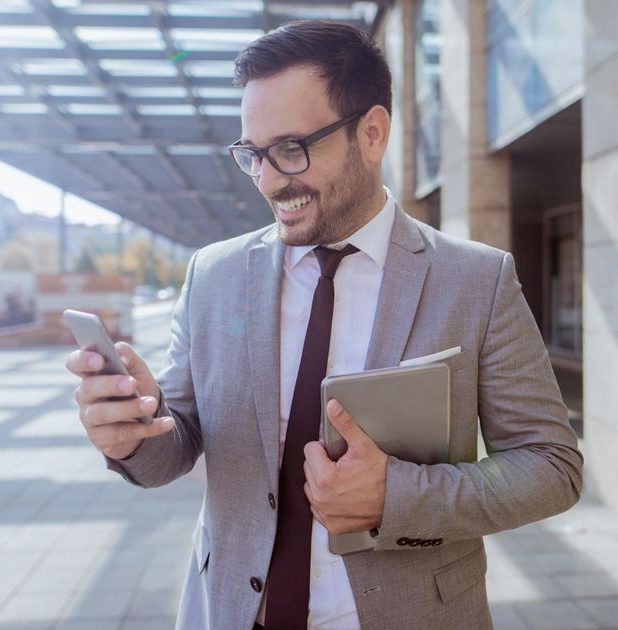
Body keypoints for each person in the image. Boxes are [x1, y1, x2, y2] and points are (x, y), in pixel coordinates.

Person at [66, 20, 582, 630]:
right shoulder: (214, 274)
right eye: (252, 154)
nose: (268, 179)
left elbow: (551, 466)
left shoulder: (476, 280)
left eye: (290, 149)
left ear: (372, 133)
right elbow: (174, 449)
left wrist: (399, 496)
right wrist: (133, 435)